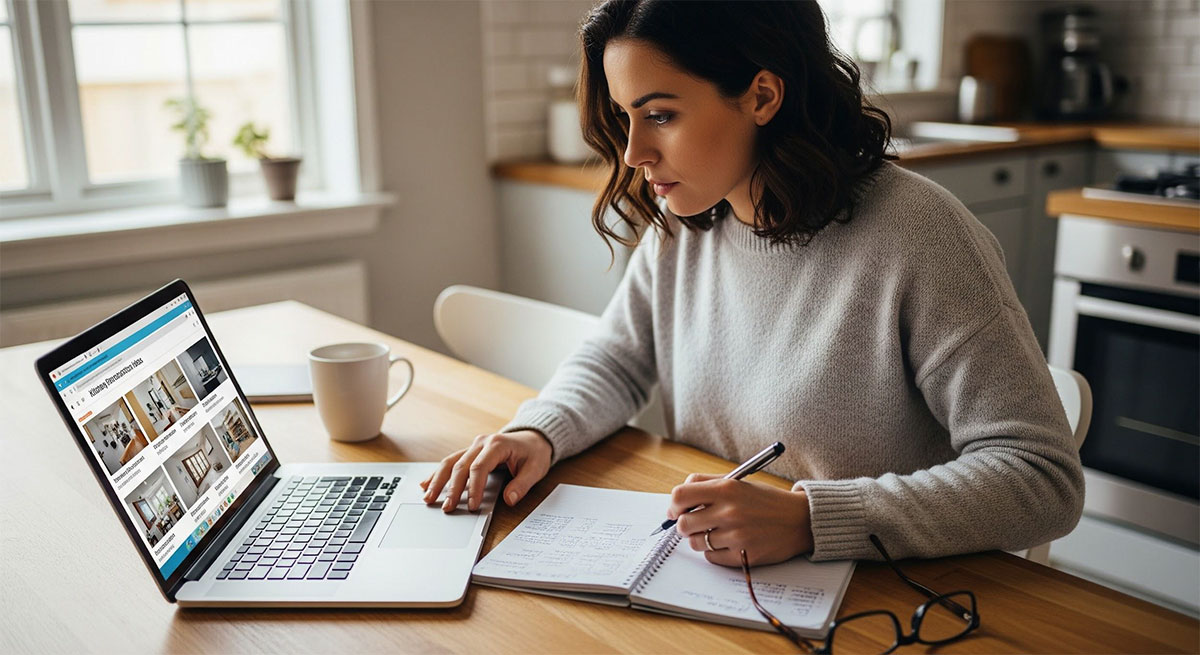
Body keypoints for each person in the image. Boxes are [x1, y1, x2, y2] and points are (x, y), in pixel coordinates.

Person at [421, 0, 1084, 567]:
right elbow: (617, 358)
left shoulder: (922, 236)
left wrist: (812, 519)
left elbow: (1041, 476)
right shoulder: (687, 220)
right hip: (722, 578)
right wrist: (539, 432)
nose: (633, 154)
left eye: (661, 115)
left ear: (762, 95)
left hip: (880, 600)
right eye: (626, 116)